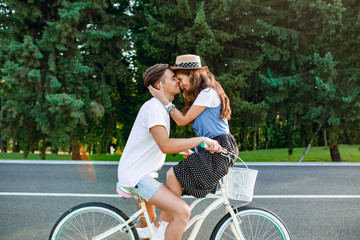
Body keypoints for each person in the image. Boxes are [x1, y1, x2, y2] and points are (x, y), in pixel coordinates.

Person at [117, 63, 222, 240]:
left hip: (143, 174)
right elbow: (165, 145)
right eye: (173, 79)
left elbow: (163, 143)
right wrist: (201, 140)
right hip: (137, 176)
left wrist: (186, 147)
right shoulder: (153, 108)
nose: (178, 82)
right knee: (182, 212)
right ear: (160, 85)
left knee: (149, 224)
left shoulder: (161, 108)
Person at [148, 54, 239, 223]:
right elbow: (180, 119)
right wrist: (195, 151)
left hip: (219, 148)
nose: (180, 84)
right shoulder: (203, 95)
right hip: (213, 148)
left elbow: (182, 120)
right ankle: (168, 224)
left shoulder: (208, 92)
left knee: (173, 175)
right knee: (175, 179)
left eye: (180, 79)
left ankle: (167, 225)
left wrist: (162, 99)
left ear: (192, 74)